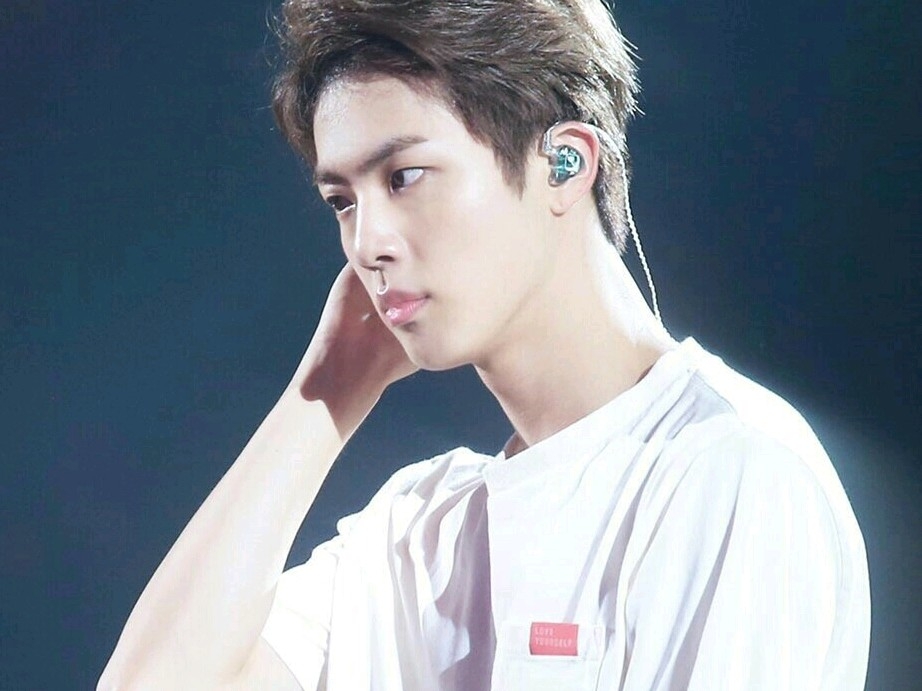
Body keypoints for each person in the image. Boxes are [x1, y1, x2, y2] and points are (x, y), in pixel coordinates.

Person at [98, 1, 871, 689]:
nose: (367, 244)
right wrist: (327, 390)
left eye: (404, 176)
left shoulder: (728, 470)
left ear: (564, 163)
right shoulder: (419, 531)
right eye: (342, 200)